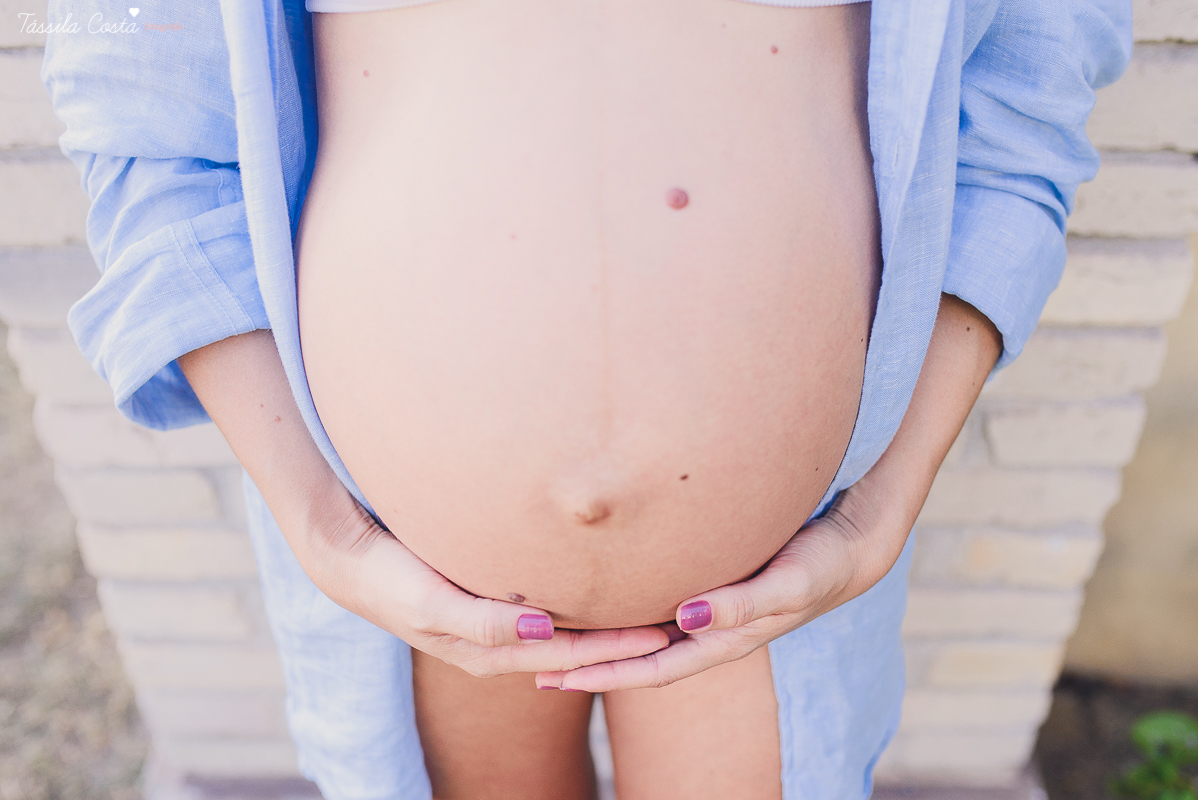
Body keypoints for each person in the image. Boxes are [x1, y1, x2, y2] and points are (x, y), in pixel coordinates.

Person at [42, 0, 1131, 797]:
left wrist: (881, 509)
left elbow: (1021, 98)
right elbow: (148, 123)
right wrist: (324, 531)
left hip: (783, 578)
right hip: (407, 581)